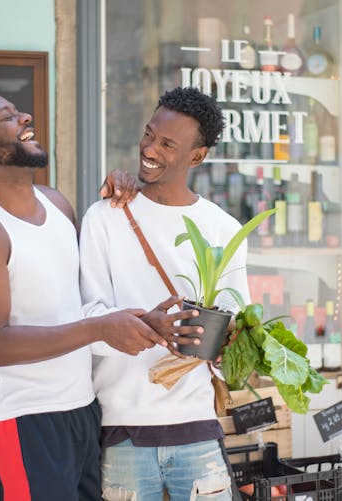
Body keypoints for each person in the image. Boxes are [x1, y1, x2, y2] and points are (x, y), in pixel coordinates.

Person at [0, 93, 201, 501]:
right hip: (23, 418)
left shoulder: (56, 203)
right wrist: (98, 327)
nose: (25, 116)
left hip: (82, 408)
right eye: (8, 117)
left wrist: (133, 322)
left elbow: (73, 304)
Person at [80, 87, 249, 501]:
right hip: (123, 429)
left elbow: (236, 317)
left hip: (197, 426)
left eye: (168, 144)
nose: (150, 149)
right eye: (149, 134)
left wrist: (227, 340)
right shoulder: (104, 218)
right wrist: (149, 329)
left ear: (197, 157)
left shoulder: (222, 228)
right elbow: (88, 320)